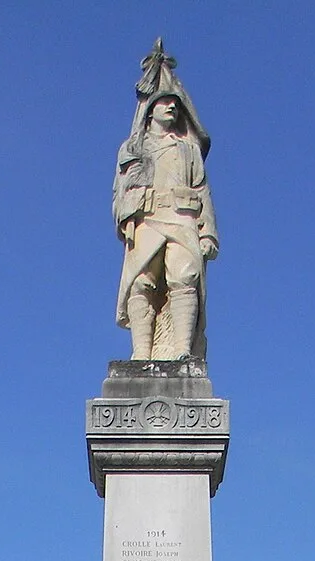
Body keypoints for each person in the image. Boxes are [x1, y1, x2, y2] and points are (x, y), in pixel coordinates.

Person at [113, 43, 217, 362]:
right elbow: (119, 193)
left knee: (184, 278)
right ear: (151, 110)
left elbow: (201, 190)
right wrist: (128, 210)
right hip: (147, 216)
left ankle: (182, 351)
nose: (171, 107)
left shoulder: (189, 150)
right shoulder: (133, 148)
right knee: (142, 282)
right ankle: (142, 355)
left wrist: (208, 232)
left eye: (175, 103)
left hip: (183, 217)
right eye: (164, 102)